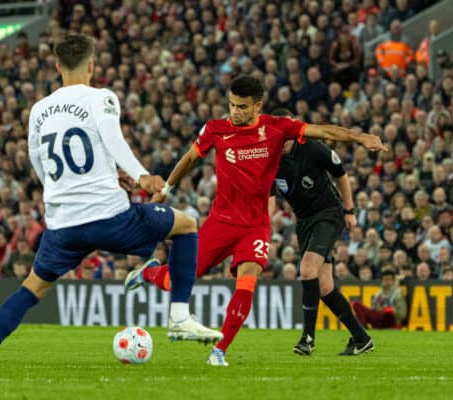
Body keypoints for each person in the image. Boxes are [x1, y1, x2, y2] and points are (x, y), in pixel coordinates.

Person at [0, 34, 222, 375]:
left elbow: (38, 164)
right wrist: (141, 176)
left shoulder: (38, 110)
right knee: (186, 226)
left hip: (63, 226)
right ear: (92, 65)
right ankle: (179, 317)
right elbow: (113, 138)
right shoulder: (101, 98)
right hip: (109, 218)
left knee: (31, 288)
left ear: (56, 66)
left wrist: (97, 182)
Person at [125, 75, 387, 366]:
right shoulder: (216, 129)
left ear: (257, 106)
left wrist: (361, 137)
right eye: (231, 105)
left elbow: (323, 131)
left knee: (247, 282)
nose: (234, 112)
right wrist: (166, 190)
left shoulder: (276, 127)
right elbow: (189, 159)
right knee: (173, 280)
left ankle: (219, 351)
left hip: (256, 225)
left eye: (241, 106)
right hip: (221, 222)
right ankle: (149, 273)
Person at [268, 108, 372, 356]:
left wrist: (349, 210)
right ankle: (361, 338)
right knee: (324, 286)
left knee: (306, 270)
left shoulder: (313, 149)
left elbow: (341, 175)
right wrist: (264, 223)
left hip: (329, 214)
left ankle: (308, 338)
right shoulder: (271, 159)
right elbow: (269, 197)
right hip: (304, 221)